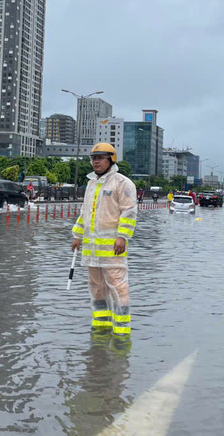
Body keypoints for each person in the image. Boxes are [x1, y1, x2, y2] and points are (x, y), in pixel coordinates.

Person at [71, 142, 138, 338]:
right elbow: (85, 212)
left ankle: (122, 331)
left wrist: (122, 237)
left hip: (112, 249)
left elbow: (129, 212)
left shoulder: (122, 183)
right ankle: (100, 326)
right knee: (96, 288)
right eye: (94, 158)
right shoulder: (91, 183)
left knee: (118, 287)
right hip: (92, 250)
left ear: (111, 160)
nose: (96, 162)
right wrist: (77, 236)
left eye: (100, 158)